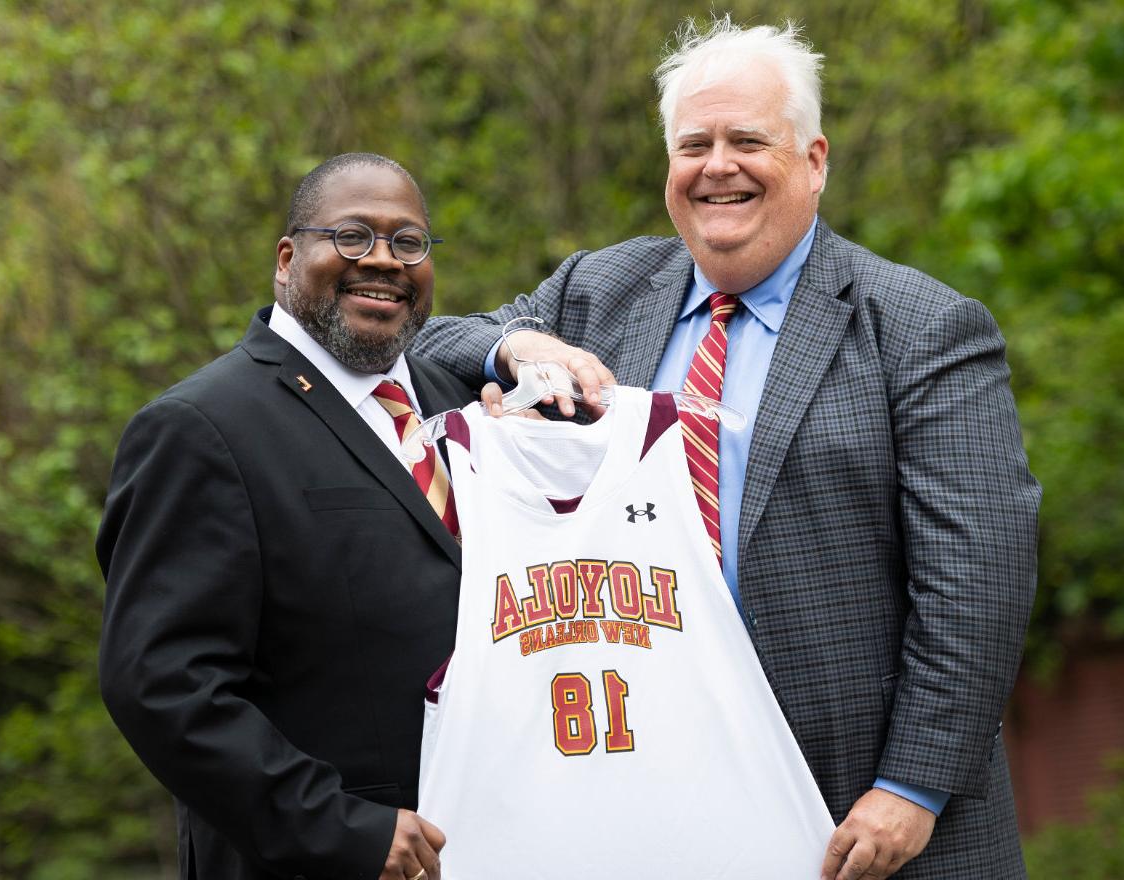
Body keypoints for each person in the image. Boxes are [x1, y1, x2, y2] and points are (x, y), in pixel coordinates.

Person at [412, 19, 1041, 880]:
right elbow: (421, 346)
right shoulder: (601, 291)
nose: (718, 166)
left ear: (815, 160)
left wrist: (914, 787)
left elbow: (980, 581)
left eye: (749, 140)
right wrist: (517, 349)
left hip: (855, 814)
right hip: (642, 799)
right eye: (693, 144)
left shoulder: (922, 328)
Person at [98, 153, 471, 880]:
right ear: (287, 257)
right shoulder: (201, 427)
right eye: (354, 236)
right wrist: (339, 828)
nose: (384, 261)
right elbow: (162, 684)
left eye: (408, 243)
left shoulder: (465, 402)